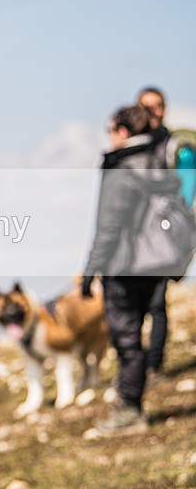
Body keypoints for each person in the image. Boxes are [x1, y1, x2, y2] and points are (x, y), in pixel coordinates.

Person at [81, 104, 168, 436]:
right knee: (137, 332)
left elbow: (109, 227)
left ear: (122, 131)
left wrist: (90, 271)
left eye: (111, 130)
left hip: (124, 265)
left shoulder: (121, 166)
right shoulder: (157, 159)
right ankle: (130, 401)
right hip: (156, 263)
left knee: (126, 338)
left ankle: (130, 411)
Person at [136, 86, 196, 379]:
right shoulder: (133, 148)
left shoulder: (176, 148)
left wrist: (174, 226)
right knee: (133, 305)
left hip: (164, 236)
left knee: (157, 301)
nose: (152, 111)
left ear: (164, 109)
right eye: (146, 106)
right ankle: (136, 366)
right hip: (135, 238)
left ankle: (153, 365)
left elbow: (187, 188)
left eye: (157, 105)